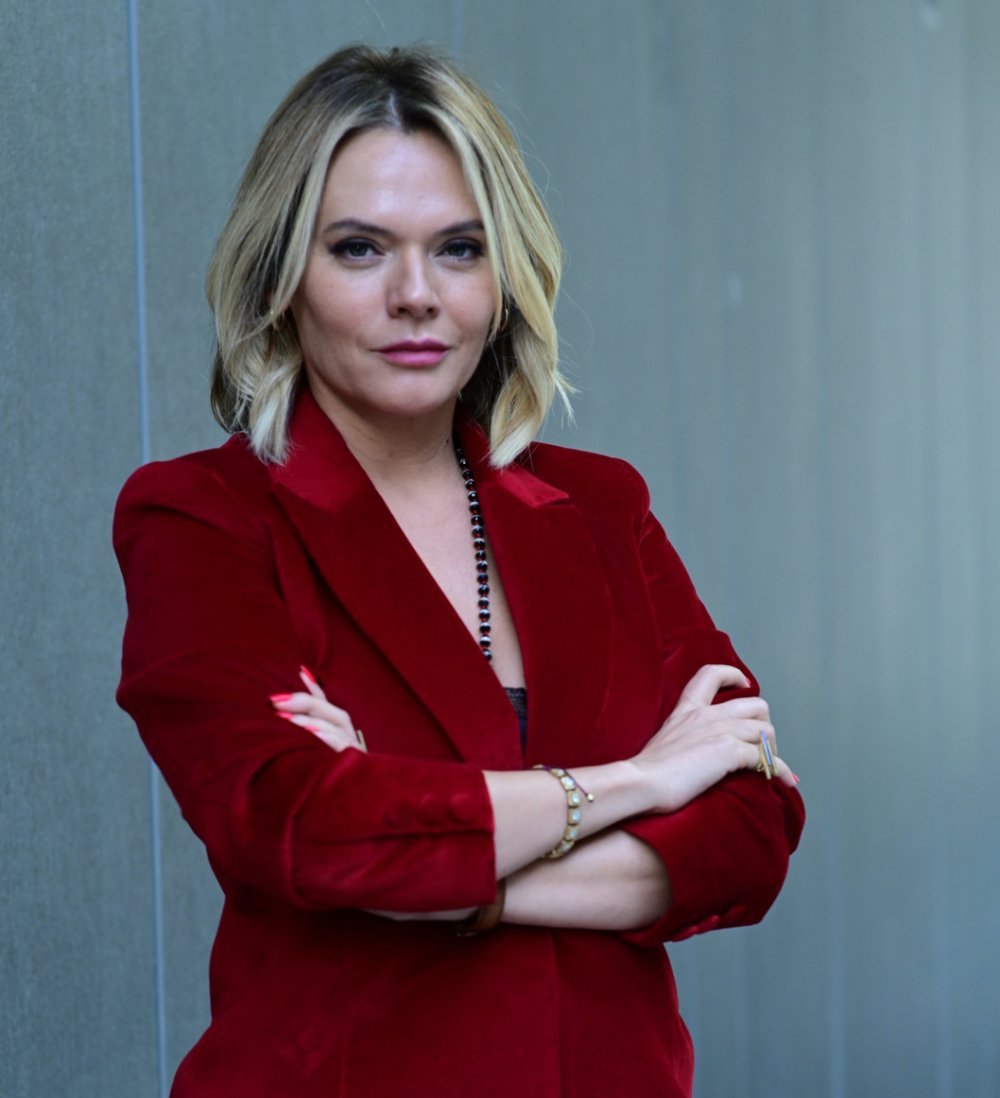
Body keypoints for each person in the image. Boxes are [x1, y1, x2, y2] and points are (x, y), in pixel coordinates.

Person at [114, 43, 804, 1098]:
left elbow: (750, 829)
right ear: (281, 275)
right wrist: (638, 784)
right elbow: (304, 828)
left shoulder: (601, 509)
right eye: (358, 249)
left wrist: (449, 874)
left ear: (503, 274)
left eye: (458, 249)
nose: (415, 295)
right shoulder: (203, 518)